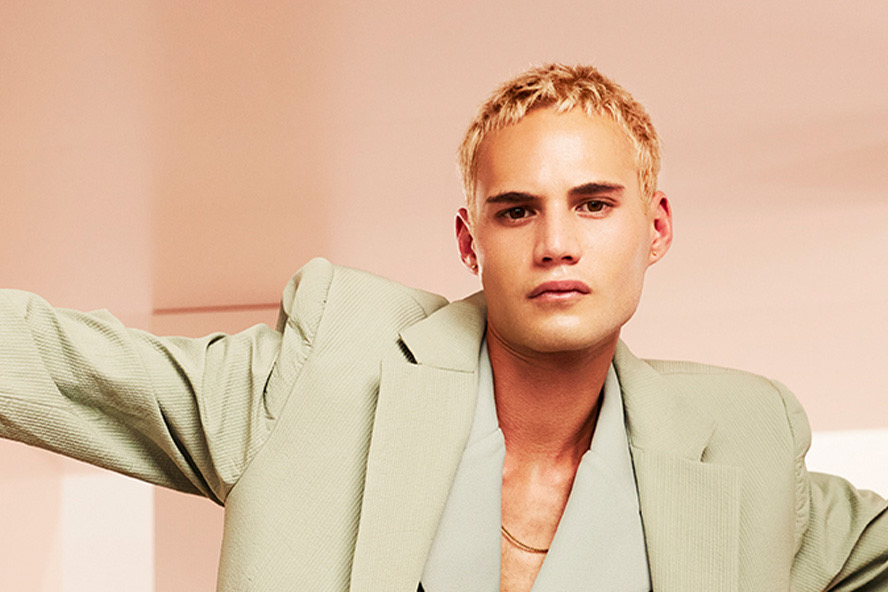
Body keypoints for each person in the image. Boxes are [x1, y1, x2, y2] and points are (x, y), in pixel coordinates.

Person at [0, 64, 885, 591]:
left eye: (594, 203)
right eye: (516, 210)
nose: (556, 243)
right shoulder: (319, 379)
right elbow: (52, 363)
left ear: (654, 228)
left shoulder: (745, 448)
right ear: (470, 242)